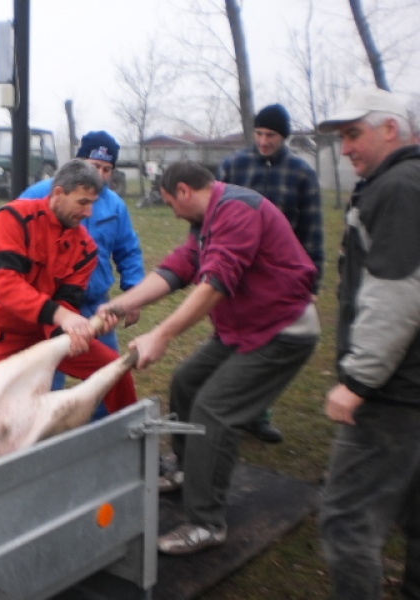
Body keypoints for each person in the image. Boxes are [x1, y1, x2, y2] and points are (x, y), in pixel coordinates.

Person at [98, 160, 319, 555]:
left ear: (184, 190)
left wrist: (162, 334)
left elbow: (216, 281)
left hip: (282, 332)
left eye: (169, 203)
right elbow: (179, 268)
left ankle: (205, 523)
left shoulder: (238, 210)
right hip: (245, 329)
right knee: (186, 382)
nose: (172, 211)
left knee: (215, 410)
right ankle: (187, 468)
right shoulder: (208, 217)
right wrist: (121, 304)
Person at [316, 87, 420, 600]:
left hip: (395, 391)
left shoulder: (398, 187)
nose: (346, 149)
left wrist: (358, 381)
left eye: (353, 134)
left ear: (391, 129)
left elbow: (397, 293)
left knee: (346, 521)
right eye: (341, 138)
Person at [0, 158, 137, 414]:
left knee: (115, 370)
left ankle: (130, 437)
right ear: (58, 193)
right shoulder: (13, 217)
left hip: (40, 332)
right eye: (82, 202)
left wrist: (79, 332)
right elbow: (5, 284)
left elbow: (66, 303)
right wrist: (63, 316)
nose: (89, 212)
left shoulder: (86, 249)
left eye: (93, 204)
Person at [217, 103, 325, 444]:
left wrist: (314, 281)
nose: (264, 141)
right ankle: (224, 406)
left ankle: (258, 413)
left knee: (267, 346)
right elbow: (212, 216)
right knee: (227, 341)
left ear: (284, 137)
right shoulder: (234, 166)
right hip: (234, 272)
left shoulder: (301, 174)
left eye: (271, 136)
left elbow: (312, 230)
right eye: (260, 133)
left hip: (279, 278)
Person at [19, 130, 145, 418]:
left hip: (96, 307)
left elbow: (128, 250)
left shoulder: (114, 205)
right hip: (50, 308)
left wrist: (134, 292)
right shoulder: (40, 194)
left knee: (109, 373)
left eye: (107, 169)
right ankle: (42, 438)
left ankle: (106, 434)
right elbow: (13, 245)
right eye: (93, 166)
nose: (99, 175)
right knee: (46, 376)